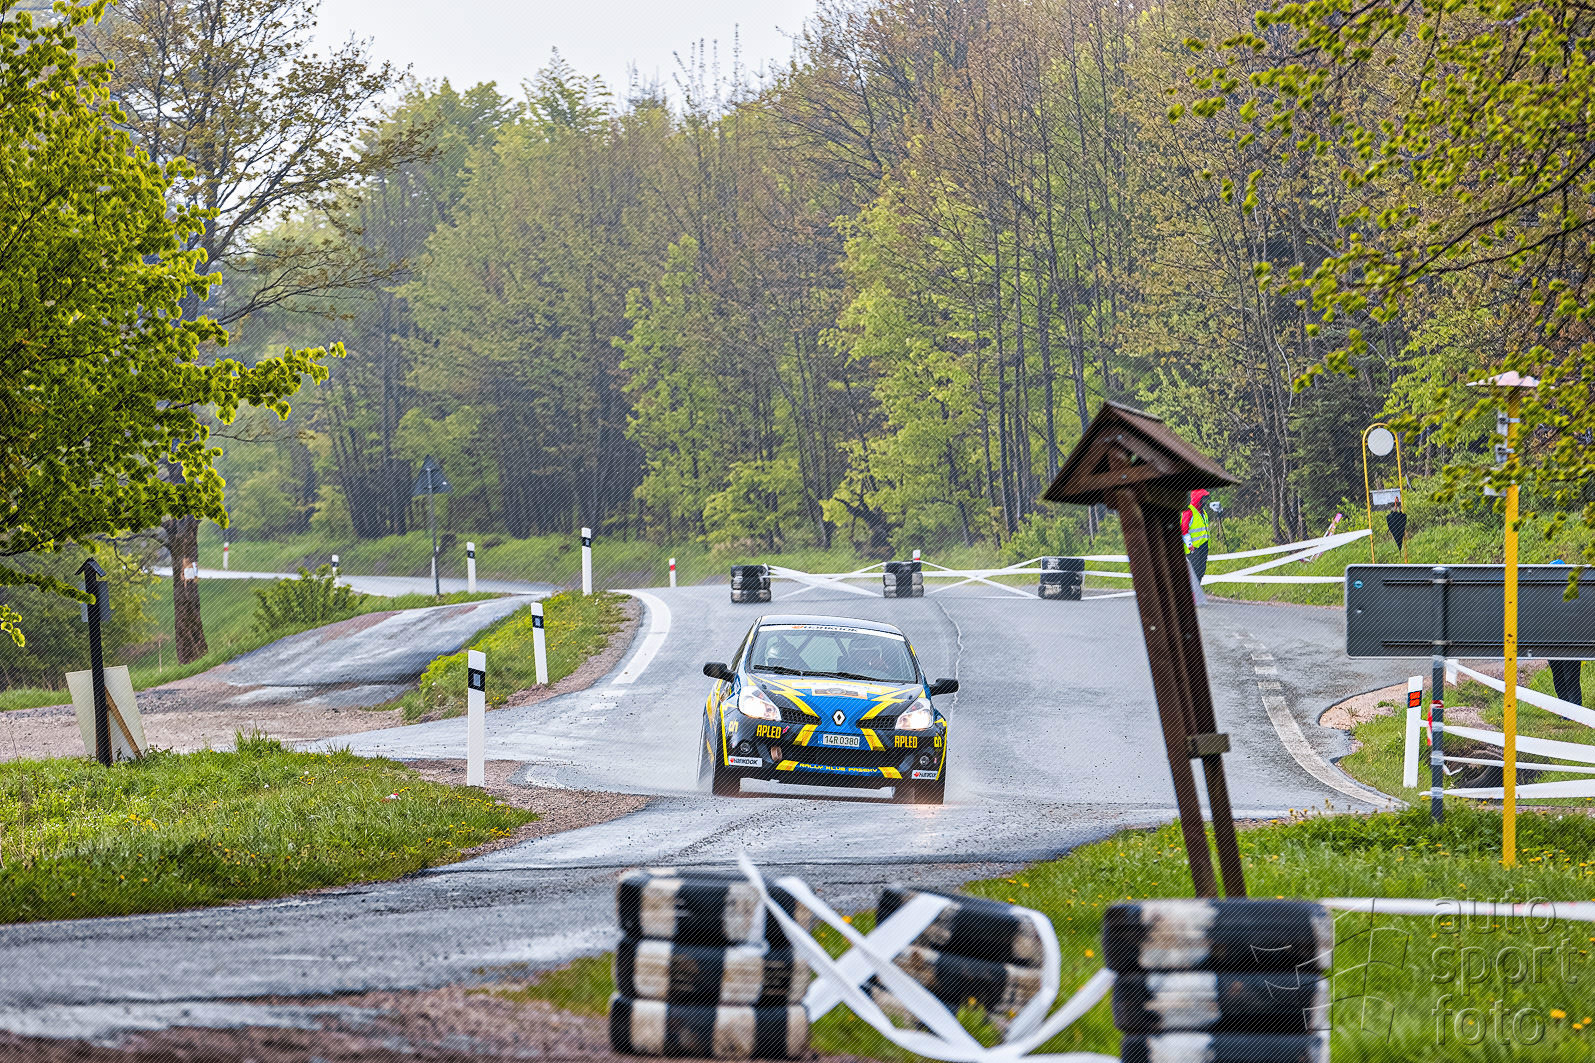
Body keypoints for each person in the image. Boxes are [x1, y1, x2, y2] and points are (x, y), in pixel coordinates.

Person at [1549, 560, 1585, 706]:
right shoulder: (1545, 596)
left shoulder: (1574, 594)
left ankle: (1575, 710)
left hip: (1572, 644)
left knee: (1571, 678)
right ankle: (1564, 710)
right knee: (1558, 677)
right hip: (1552, 644)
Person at [1182, 489, 1213, 581]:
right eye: (1203, 499)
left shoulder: (1203, 513)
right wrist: (1189, 544)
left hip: (1203, 546)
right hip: (1193, 548)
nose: (1205, 501)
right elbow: (1184, 529)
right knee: (1194, 573)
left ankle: (1196, 589)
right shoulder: (1189, 511)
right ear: (1197, 499)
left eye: (1205, 499)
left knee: (1201, 572)